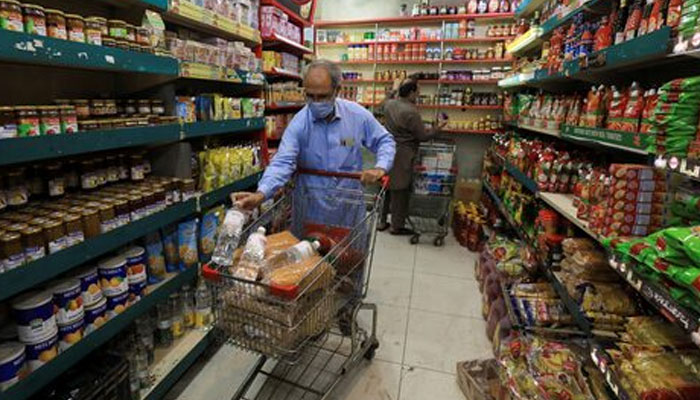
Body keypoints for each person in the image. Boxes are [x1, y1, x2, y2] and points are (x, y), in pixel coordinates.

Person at [233, 59, 396, 215]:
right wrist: (261, 194)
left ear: (337, 90)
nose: (316, 103)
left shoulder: (357, 116)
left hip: (348, 206)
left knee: (348, 244)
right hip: (310, 208)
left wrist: (380, 167)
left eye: (323, 96)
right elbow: (283, 162)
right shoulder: (299, 123)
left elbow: (385, 141)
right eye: (310, 96)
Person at [379, 77, 447, 235]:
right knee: (400, 191)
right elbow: (422, 136)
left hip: (387, 150)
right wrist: (438, 128)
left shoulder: (390, 104)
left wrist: (394, 87)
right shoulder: (411, 112)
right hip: (403, 154)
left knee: (385, 188)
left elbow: (384, 103)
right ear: (411, 93)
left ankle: (382, 222)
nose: (418, 95)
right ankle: (397, 226)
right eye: (417, 92)